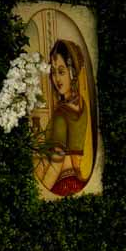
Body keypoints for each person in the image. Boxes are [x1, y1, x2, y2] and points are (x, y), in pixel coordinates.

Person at [36, 40, 90, 196]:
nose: (56, 79)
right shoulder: (82, 104)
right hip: (78, 182)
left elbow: (56, 165)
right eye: (53, 72)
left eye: (61, 71)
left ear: (72, 72)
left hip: (62, 184)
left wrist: (41, 191)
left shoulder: (61, 114)